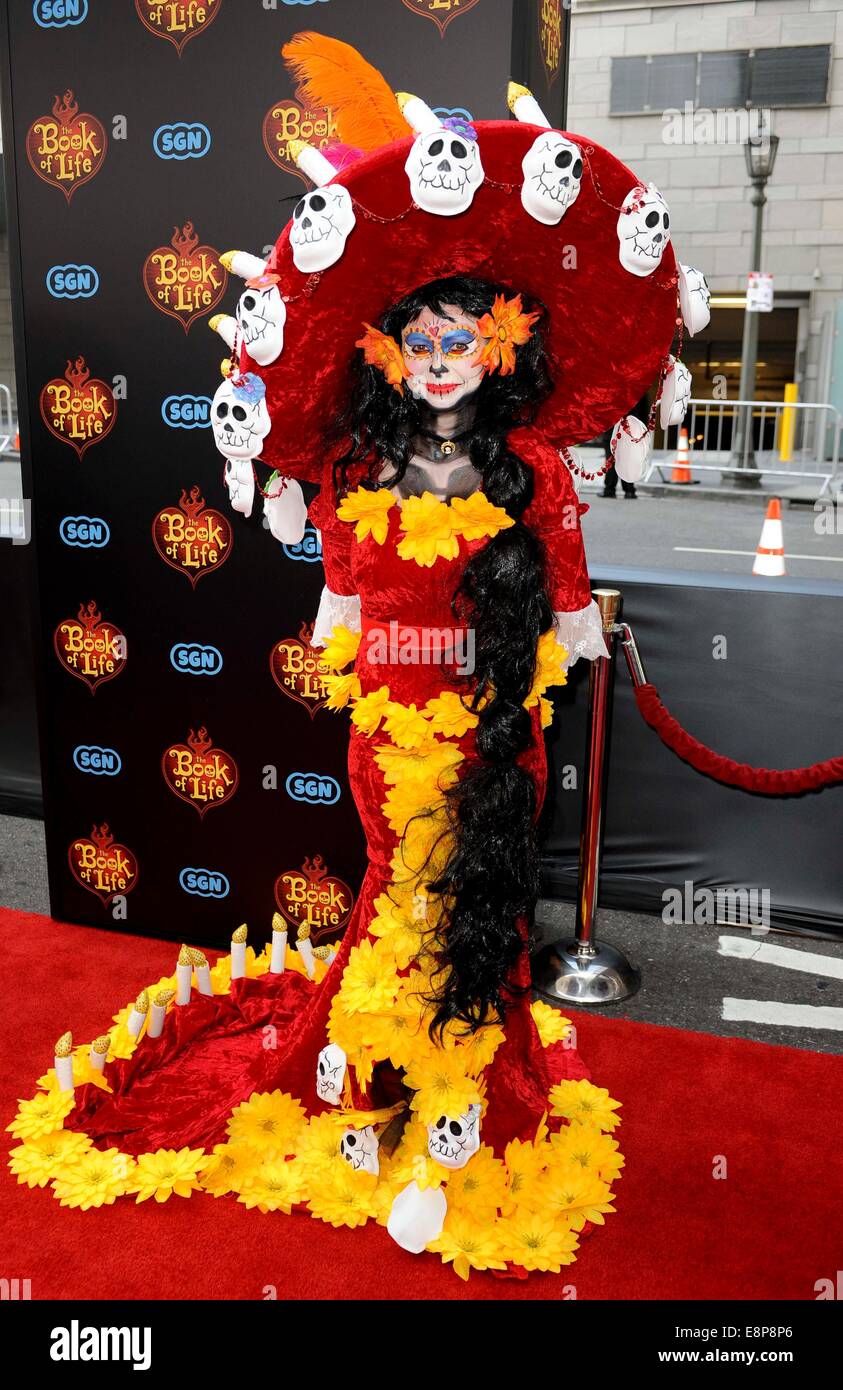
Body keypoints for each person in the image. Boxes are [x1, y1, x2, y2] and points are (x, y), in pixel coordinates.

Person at [9, 37, 685, 1280]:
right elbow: (349, 603)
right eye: (417, 337)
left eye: (462, 337)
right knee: (392, 887)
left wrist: (535, 645)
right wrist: (391, 649)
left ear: (503, 344)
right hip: (391, 726)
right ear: (386, 351)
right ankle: (371, 1071)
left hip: (494, 728)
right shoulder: (360, 474)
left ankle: (467, 1082)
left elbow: (567, 604)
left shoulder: (529, 468)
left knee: (481, 892)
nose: (438, 357)